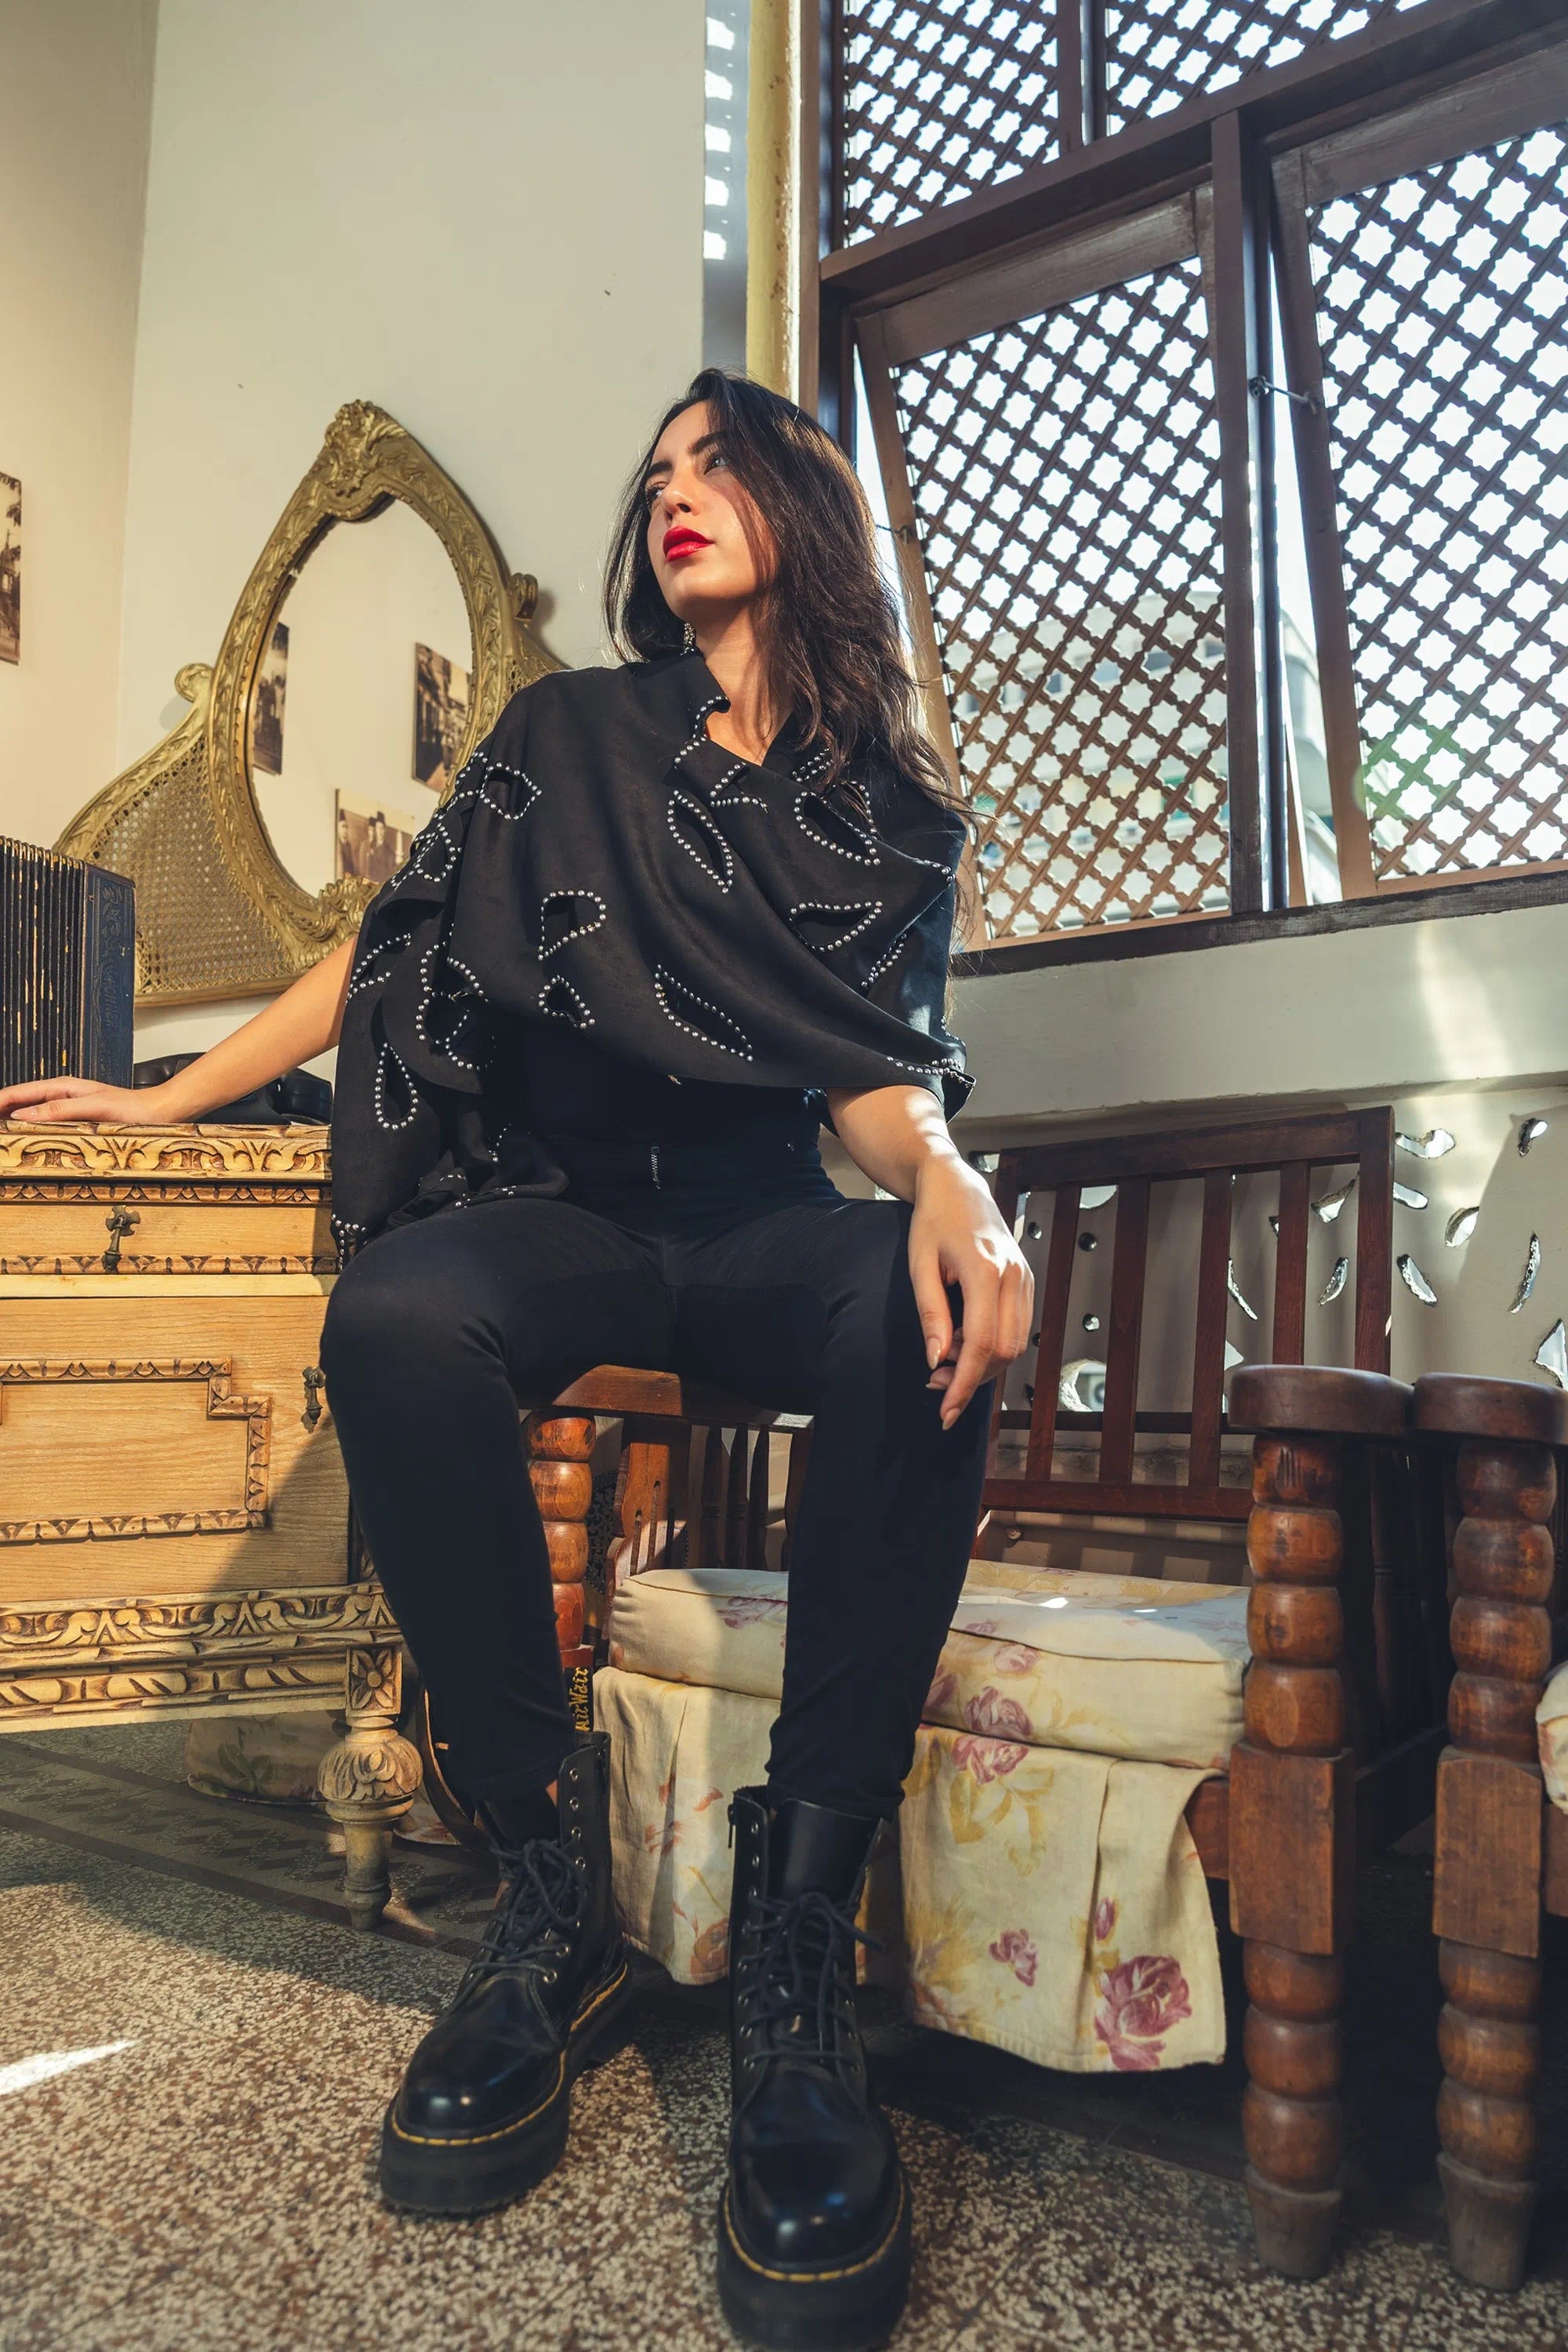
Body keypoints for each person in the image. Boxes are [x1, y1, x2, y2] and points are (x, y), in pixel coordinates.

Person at [1, 370, 1033, 2350]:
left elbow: (870, 1084)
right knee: (397, 1313)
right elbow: (387, 946)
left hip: (754, 1216)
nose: (675, 492)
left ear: (803, 505)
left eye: (717, 463)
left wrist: (954, 1184)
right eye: (657, 473)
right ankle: (550, 1891)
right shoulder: (573, 732)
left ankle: (799, 1942)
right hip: (569, 1212)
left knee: (909, 1317)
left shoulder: (886, 811)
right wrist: (165, 1097)